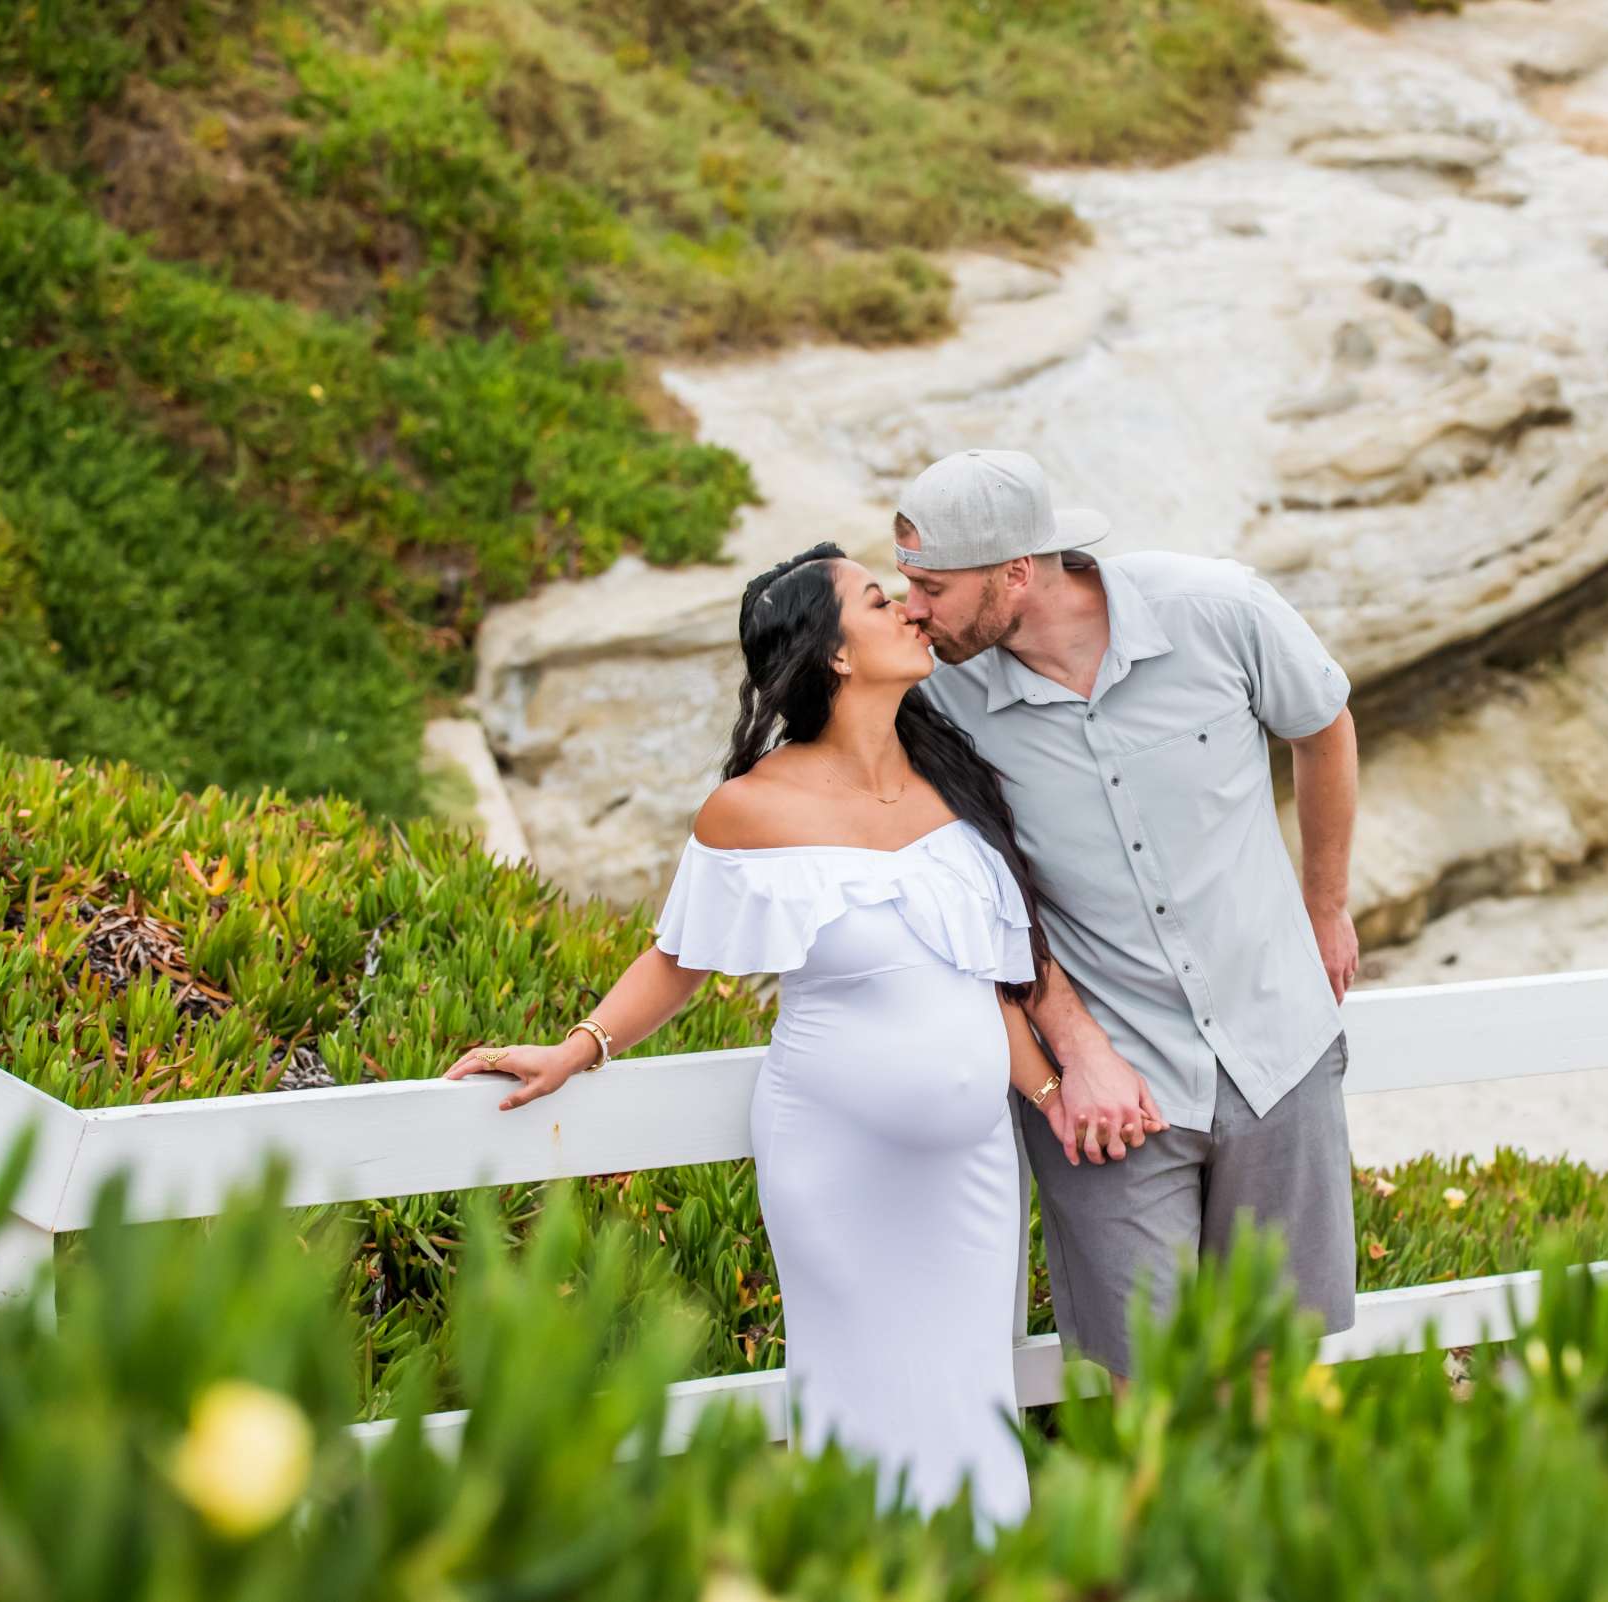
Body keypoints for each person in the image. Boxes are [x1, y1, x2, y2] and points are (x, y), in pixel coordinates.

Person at [443, 542, 1116, 1533]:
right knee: (865, 1395)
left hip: (972, 1167)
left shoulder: (952, 781)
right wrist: (576, 1047)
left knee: (974, 1393)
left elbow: (983, 976)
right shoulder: (750, 807)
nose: (912, 615)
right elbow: (681, 957)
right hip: (837, 1165)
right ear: (835, 654)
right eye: (883, 602)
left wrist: (1055, 1097)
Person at [895, 448, 1362, 1380]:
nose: (912, 609)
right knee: (1141, 1384)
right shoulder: (933, 696)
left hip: (1281, 1043)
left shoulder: (1219, 610)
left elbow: (1324, 728)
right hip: (1112, 1091)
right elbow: (985, 893)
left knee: (1275, 1362)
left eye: (932, 586)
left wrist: (1327, 905)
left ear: (1017, 571)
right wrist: (1074, 1043)